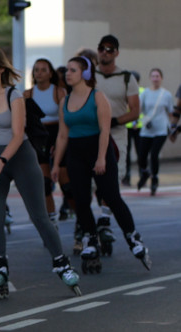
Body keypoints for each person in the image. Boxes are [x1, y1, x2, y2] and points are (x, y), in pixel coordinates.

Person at [0, 48, 80, 299]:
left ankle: (61, 263)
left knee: (39, 215)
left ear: (1, 69)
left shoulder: (14, 96)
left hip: (20, 156)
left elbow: (17, 134)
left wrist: (1, 161)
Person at [51, 56, 151, 273]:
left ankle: (132, 236)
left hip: (99, 150)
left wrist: (101, 158)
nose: (67, 73)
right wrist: (56, 164)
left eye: (73, 70)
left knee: (112, 197)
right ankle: (91, 239)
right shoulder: (64, 102)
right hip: (75, 154)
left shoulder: (97, 97)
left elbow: (105, 130)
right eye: (67, 70)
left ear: (85, 74)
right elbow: (62, 136)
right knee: (81, 200)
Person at [94, 35, 140, 245]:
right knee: (93, 180)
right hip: (92, 134)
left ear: (117, 53)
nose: (105, 52)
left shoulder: (127, 78)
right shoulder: (89, 76)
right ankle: (98, 218)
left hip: (116, 135)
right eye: (102, 48)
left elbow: (135, 111)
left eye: (110, 49)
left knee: (112, 179)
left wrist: (114, 121)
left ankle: (104, 219)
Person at [23, 59, 68, 226]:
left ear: (51, 73)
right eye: (36, 70)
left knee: (67, 185)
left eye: (43, 70)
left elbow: (65, 122)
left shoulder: (59, 92)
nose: (39, 73)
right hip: (38, 137)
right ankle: (51, 220)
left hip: (58, 135)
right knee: (45, 184)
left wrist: (59, 143)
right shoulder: (27, 94)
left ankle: (82, 224)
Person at [136, 68, 173, 196]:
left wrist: (172, 127)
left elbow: (170, 113)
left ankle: (155, 178)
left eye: (158, 76)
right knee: (141, 156)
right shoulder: (145, 93)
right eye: (153, 76)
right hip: (147, 129)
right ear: (150, 78)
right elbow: (139, 110)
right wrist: (137, 121)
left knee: (154, 155)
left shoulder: (166, 94)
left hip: (161, 129)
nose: (155, 78)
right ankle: (145, 172)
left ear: (161, 78)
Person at [123, 71, 144, 186]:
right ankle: (126, 176)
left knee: (140, 152)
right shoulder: (125, 92)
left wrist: (136, 121)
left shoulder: (142, 92)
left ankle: (142, 175)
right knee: (126, 153)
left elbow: (140, 109)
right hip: (127, 126)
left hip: (139, 127)